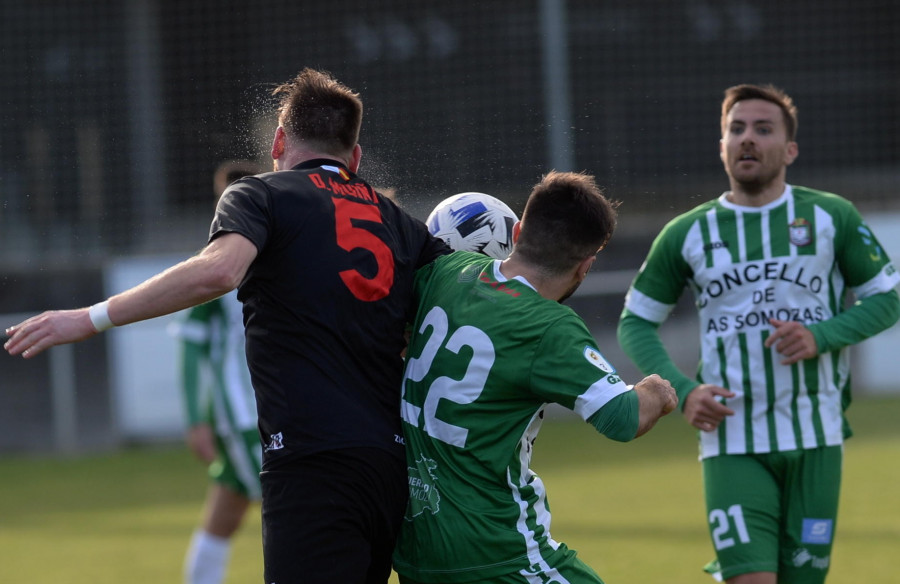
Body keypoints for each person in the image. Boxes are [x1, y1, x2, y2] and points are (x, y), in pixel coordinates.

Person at [4, 67, 451, 584]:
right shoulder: (400, 223)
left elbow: (219, 270)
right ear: (353, 156)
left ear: (280, 141)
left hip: (311, 461)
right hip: (392, 465)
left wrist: (90, 317)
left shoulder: (262, 195)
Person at [616, 84, 900, 584]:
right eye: (737, 128)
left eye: (763, 129)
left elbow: (887, 298)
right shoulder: (687, 232)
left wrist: (823, 335)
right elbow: (636, 321)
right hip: (732, 437)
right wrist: (683, 393)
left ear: (789, 149)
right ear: (721, 146)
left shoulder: (832, 216)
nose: (748, 138)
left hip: (817, 435)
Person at [392, 170, 678, 584]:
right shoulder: (549, 327)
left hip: (418, 549)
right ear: (586, 266)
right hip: (497, 550)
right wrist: (658, 389)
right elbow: (623, 418)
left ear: (520, 229)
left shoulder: (447, 273)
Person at [170, 159, 264, 584]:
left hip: (272, 411)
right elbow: (193, 348)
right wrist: (196, 419)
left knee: (224, 515)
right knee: (306, 516)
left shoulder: (274, 251)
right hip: (245, 414)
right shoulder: (213, 266)